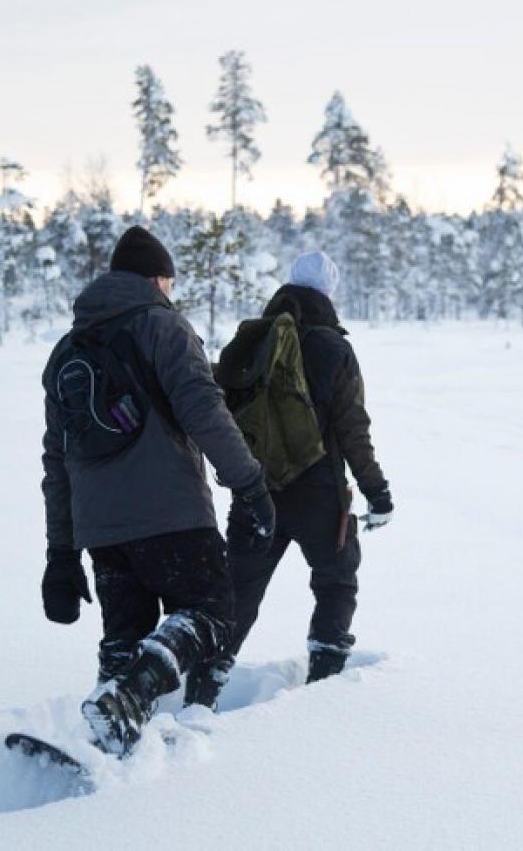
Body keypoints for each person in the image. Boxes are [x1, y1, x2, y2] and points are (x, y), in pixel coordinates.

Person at [40, 225, 275, 757]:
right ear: (157, 278)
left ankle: (107, 749)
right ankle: (128, 696)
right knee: (212, 614)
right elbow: (205, 411)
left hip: (102, 530)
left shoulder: (66, 350)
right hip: (171, 514)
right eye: (168, 282)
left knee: (125, 641)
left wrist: (61, 552)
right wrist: (250, 483)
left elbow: (57, 463)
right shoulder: (162, 326)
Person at [186, 251, 393, 708]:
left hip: (256, 490)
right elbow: (352, 429)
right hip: (319, 493)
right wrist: (376, 490)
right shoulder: (335, 348)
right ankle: (322, 699)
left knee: (237, 593)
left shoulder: (259, 339)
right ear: (329, 294)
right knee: (336, 583)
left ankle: (199, 696)